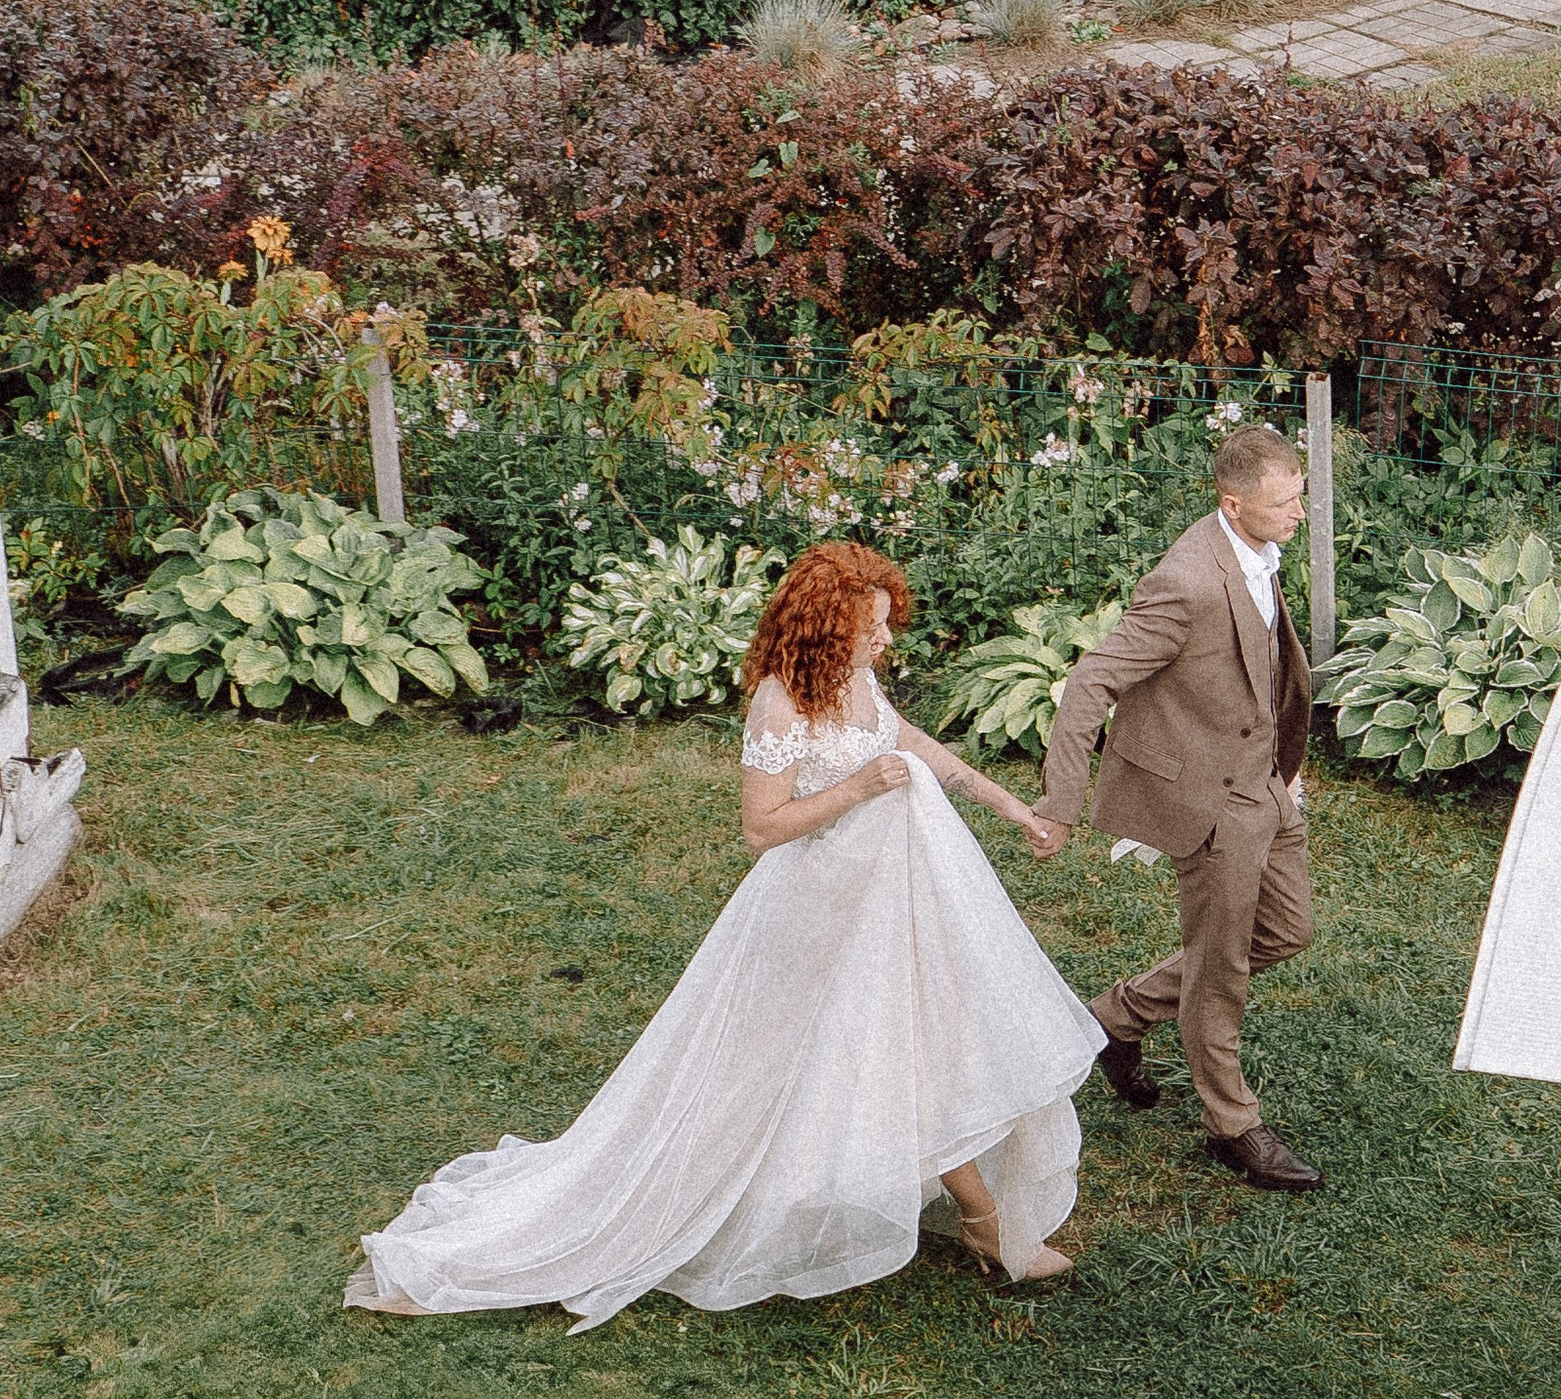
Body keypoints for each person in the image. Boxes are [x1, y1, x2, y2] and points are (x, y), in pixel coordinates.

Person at [345, 541, 1103, 1324]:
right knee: (855, 1054)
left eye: (884, 626)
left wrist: (1015, 810)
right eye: (871, 628)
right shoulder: (780, 704)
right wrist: (856, 787)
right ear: (825, 628)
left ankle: (978, 1219)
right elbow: (761, 829)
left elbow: (910, 746)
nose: (886, 642)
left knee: (926, 1041)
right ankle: (981, 1223)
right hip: (825, 908)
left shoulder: (858, 678)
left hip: (900, 893)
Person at [1029, 421, 1321, 1193]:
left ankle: (1111, 1020)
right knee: (1220, 970)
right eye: (1286, 503)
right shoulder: (1186, 582)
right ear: (1233, 504)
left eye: (1301, 496)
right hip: (1210, 802)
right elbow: (1092, 681)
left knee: (1288, 931)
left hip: (1264, 783)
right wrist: (1060, 802)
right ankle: (1233, 1125)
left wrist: (1281, 766)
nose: (1301, 514)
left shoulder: (1256, 549)